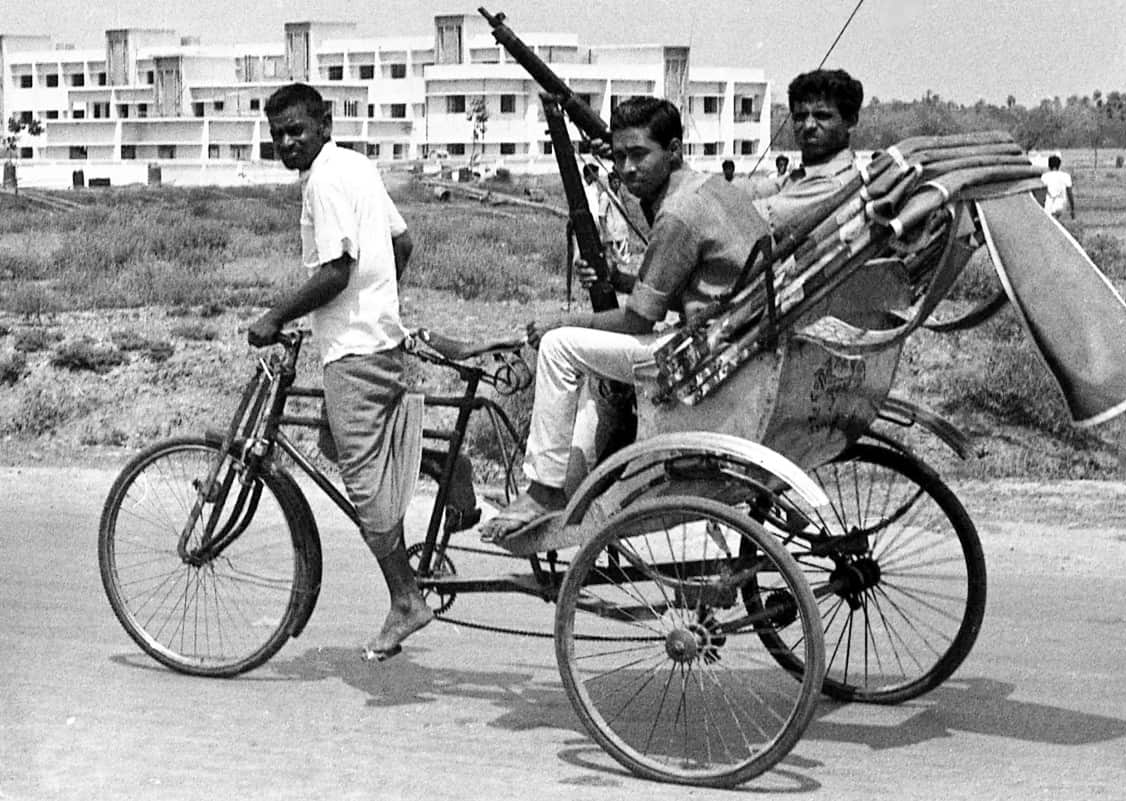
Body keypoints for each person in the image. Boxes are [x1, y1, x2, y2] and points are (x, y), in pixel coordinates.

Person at [479, 96, 768, 541]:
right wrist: (620, 277)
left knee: (559, 348)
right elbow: (694, 287)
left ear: (673, 150)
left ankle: (544, 490)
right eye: (619, 156)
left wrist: (561, 321)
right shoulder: (712, 189)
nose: (628, 168)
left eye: (639, 154)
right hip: (732, 337)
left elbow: (638, 322)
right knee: (595, 366)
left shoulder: (677, 214)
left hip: (703, 353)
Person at [248, 83, 448, 662]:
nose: (287, 142)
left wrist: (274, 315)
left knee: (364, 486)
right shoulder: (355, 166)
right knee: (339, 444)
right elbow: (401, 243)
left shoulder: (325, 181)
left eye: (297, 130)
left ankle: (406, 599)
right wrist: (378, 303)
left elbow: (336, 271)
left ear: (323, 122)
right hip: (378, 340)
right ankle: (446, 468)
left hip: (354, 355)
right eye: (278, 133)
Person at [742, 68, 863, 239]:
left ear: (850, 121)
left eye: (822, 116)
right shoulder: (808, 174)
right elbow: (754, 190)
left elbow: (758, 217)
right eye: (800, 116)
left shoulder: (835, 184)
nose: (808, 125)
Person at [598, 170, 631, 268]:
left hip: (622, 232)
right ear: (610, 183)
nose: (617, 185)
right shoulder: (605, 196)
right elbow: (601, 216)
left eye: (618, 182)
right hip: (612, 233)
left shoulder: (618, 195)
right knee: (614, 260)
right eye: (614, 182)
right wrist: (605, 232)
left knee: (624, 260)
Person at [1041, 154, 1076, 219]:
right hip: (1061, 205)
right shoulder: (1066, 176)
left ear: (1049, 165)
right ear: (1059, 165)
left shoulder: (1044, 177)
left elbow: (1042, 193)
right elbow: (1070, 193)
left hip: (1048, 205)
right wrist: (1072, 209)